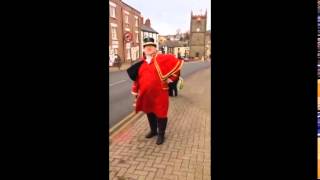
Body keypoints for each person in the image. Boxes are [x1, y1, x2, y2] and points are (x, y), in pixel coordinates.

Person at [127, 37, 183, 145]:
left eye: (151, 46)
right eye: (146, 46)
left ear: (155, 48)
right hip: (146, 94)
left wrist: (170, 79)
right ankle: (153, 131)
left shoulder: (162, 59)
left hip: (160, 94)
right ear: (143, 49)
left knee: (161, 114)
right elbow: (137, 80)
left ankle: (161, 134)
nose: (148, 48)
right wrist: (135, 91)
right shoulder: (140, 64)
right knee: (149, 112)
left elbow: (176, 69)